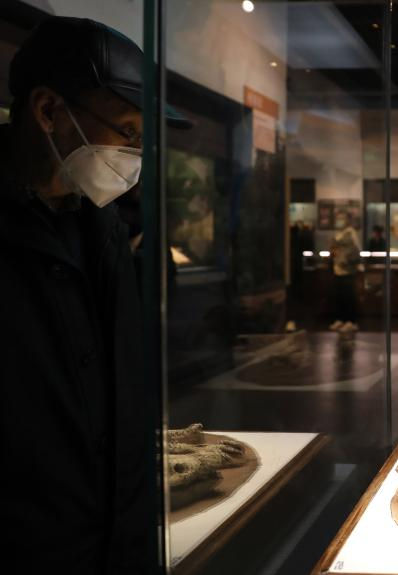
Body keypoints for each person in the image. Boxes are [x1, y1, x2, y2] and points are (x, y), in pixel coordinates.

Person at [0, 16, 191, 573]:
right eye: (128, 132)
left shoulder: (102, 227)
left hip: (115, 541)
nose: (136, 154)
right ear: (49, 111)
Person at [329, 213, 361, 322]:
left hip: (347, 271)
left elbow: (356, 251)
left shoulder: (351, 233)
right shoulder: (338, 234)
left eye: (342, 218)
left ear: (347, 220)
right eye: (338, 218)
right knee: (339, 297)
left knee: (348, 298)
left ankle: (350, 322)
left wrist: (345, 259)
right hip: (337, 270)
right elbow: (333, 250)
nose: (339, 221)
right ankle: (340, 320)